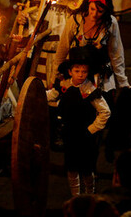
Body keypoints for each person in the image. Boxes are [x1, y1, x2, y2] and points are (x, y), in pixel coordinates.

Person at [47, 46, 110, 195]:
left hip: (85, 136)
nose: (80, 75)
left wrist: (91, 129)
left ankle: (90, 194)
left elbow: (105, 112)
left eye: (84, 71)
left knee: (86, 168)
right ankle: (75, 196)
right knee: (71, 167)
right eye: (77, 71)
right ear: (70, 71)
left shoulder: (90, 90)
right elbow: (50, 95)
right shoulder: (64, 86)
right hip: (69, 134)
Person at [56, 0, 130, 102]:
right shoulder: (75, 20)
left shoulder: (110, 24)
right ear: (87, 6)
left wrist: (123, 83)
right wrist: (56, 76)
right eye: (92, 9)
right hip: (78, 77)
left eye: (100, 11)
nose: (94, 14)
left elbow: (116, 54)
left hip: (100, 78)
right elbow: (62, 49)